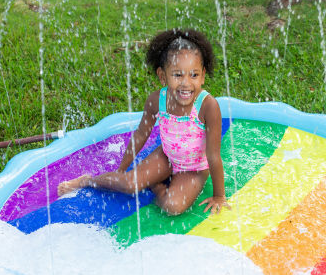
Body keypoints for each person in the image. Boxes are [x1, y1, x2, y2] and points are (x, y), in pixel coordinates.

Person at [57, 28, 229, 215]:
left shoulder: (208, 106)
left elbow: (213, 155)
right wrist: (121, 172)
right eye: (177, 75)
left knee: (173, 207)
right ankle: (86, 180)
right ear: (163, 76)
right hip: (167, 157)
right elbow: (140, 134)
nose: (186, 83)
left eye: (193, 75)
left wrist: (219, 196)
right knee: (129, 185)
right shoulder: (157, 100)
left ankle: (157, 185)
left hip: (195, 168)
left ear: (203, 75)